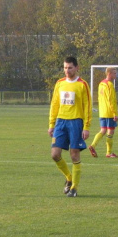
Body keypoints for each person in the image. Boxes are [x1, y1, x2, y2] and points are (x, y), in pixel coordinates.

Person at [48, 56, 91, 198]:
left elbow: (87, 107)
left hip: (75, 122)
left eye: (70, 67)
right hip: (61, 122)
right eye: (65, 67)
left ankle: (74, 188)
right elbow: (54, 104)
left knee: (74, 155)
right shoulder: (59, 83)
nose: (67, 70)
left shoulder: (82, 84)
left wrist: (86, 126)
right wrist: (51, 124)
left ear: (77, 67)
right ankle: (69, 176)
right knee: (55, 154)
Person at [88, 67, 118, 158]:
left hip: (102, 112)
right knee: (110, 132)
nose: (115, 75)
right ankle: (109, 152)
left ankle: (93, 145)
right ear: (109, 73)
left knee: (103, 130)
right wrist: (114, 113)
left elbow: (100, 98)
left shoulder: (101, 84)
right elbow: (111, 100)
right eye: (114, 73)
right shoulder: (109, 85)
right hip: (109, 112)